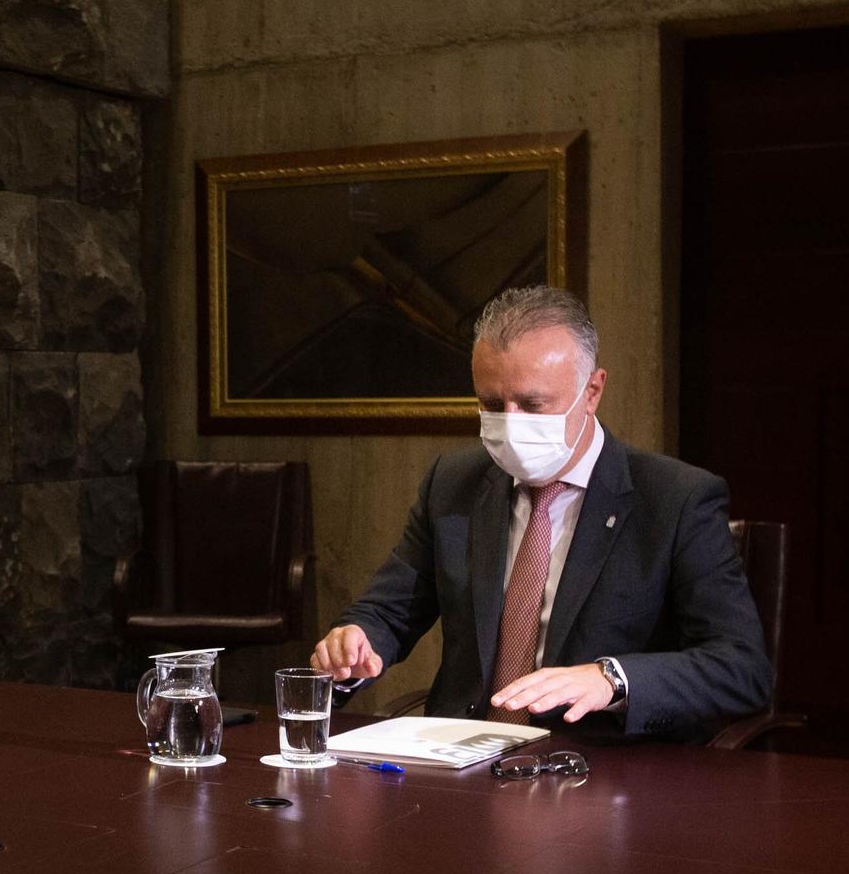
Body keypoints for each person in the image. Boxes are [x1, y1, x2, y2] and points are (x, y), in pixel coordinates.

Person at [310, 285, 770, 740]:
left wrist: (611, 678)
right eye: (492, 404)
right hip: (462, 759)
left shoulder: (676, 498)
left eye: (532, 404)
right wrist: (354, 644)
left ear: (591, 391)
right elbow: (390, 611)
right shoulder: (453, 483)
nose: (510, 422)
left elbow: (741, 668)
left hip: (599, 767)